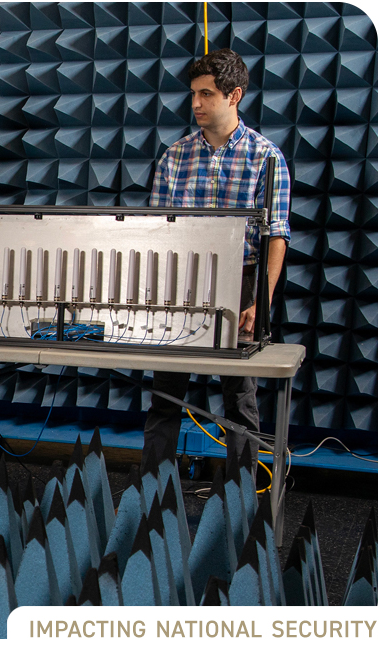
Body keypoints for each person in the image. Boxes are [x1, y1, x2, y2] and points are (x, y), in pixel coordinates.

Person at [145, 48, 290, 474]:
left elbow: (275, 237)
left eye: (206, 94)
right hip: (181, 281)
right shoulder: (174, 157)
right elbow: (157, 232)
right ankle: (153, 490)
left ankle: (241, 494)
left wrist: (258, 302)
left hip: (241, 280)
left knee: (240, 398)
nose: (196, 104)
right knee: (165, 394)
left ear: (234, 95)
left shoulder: (267, 158)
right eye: (193, 94)